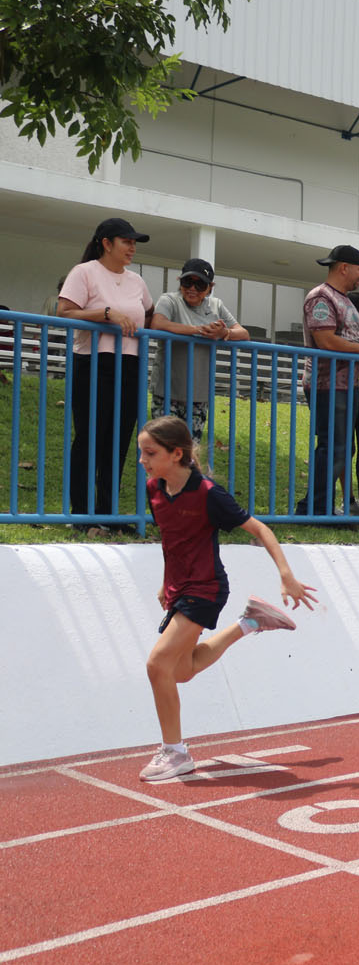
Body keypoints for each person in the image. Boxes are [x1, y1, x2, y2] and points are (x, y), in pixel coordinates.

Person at [135, 415, 318, 781]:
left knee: (158, 665)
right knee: (181, 672)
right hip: (179, 589)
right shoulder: (155, 489)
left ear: (176, 453)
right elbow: (173, 540)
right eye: (141, 453)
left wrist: (285, 574)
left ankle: (175, 753)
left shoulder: (208, 494)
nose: (143, 461)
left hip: (205, 589)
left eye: (150, 453)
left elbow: (258, 528)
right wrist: (165, 583)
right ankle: (251, 621)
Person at [57, 217, 155, 535]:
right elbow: (64, 311)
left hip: (130, 363)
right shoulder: (84, 272)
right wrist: (105, 314)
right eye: (126, 241)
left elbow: (150, 316)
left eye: (134, 242)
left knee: (120, 438)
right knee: (89, 436)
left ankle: (107, 512)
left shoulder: (137, 281)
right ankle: (81, 513)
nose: (132, 247)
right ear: (107, 243)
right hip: (92, 362)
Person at [295, 245, 359, 517]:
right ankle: (313, 508)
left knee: (343, 448)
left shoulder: (344, 300)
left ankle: (318, 506)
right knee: (332, 446)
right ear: (343, 267)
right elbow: (325, 340)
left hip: (346, 386)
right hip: (327, 385)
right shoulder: (321, 297)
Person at [149, 259, 249, 440]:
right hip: (167, 392)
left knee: (189, 453)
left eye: (200, 284)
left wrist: (223, 332)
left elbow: (243, 333)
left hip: (199, 395)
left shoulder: (216, 305)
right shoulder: (169, 300)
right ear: (180, 281)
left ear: (210, 287)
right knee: (164, 449)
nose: (192, 288)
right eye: (187, 282)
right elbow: (157, 324)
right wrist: (200, 331)